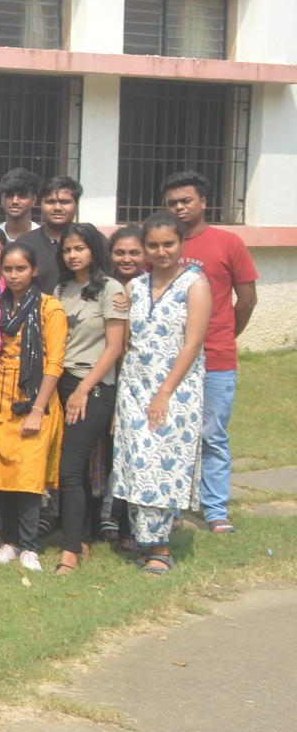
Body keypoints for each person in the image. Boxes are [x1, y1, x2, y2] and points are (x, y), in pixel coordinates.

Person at [114, 214, 211, 576]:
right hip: (134, 386)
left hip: (176, 389)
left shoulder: (195, 285)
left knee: (162, 462)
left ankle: (161, 547)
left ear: (181, 244)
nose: (161, 251)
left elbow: (193, 343)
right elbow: (127, 342)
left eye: (168, 244)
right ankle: (144, 540)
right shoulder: (135, 287)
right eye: (153, 245)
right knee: (137, 461)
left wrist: (165, 392)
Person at [165, 170, 257, 534]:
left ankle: (215, 509)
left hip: (216, 357)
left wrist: (224, 334)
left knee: (212, 434)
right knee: (172, 432)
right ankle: (171, 505)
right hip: (170, 359)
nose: (179, 207)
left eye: (186, 200)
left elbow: (247, 300)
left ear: (203, 202)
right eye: (172, 203)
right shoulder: (162, 243)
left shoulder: (228, 243)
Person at [0, 241, 65, 571]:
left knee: (29, 474)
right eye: (8, 269)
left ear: (35, 271)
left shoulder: (49, 308)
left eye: (21, 269)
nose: (14, 275)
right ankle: (10, 542)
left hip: (34, 397)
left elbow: (55, 361)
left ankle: (30, 546)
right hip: (0, 396)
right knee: (2, 471)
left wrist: (37, 409)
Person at [53, 221, 127, 573]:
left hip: (93, 387)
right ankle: (80, 540)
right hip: (61, 383)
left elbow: (115, 348)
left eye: (79, 248)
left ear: (94, 250)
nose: (73, 255)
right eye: (67, 249)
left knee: (69, 467)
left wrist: (84, 389)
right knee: (76, 467)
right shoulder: (61, 288)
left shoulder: (111, 289)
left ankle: (69, 552)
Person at [0, 167, 42, 243]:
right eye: (9, 195)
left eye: (22, 196)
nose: (15, 201)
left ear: (34, 200)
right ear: (2, 199)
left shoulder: (41, 238)